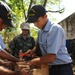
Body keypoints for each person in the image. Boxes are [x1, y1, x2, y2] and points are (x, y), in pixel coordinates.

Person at [26, 5, 73, 75]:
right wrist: (33, 51)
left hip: (62, 69)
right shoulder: (40, 32)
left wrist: (32, 62)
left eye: (37, 21)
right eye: (33, 22)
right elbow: (37, 44)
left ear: (45, 16)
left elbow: (50, 57)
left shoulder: (55, 29)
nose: (35, 24)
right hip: (50, 68)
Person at [0, 1, 31, 75]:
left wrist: (5, 63)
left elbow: (1, 51)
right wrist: (16, 73)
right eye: (3, 22)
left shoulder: (31, 39)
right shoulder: (16, 39)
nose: (4, 27)